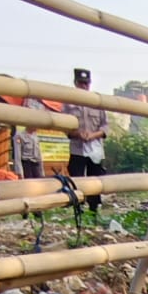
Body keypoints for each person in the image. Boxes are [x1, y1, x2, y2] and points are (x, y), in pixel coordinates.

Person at [63, 68, 108, 219]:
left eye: (86, 84)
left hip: (95, 150)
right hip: (77, 148)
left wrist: (94, 135)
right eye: (81, 84)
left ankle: (94, 211)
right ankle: (79, 211)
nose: (84, 87)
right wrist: (78, 134)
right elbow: (64, 126)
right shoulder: (69, 104)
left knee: (95, 180)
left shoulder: (97, 102)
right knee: (77, 180)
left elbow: (105, 126)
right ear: (75, 83)